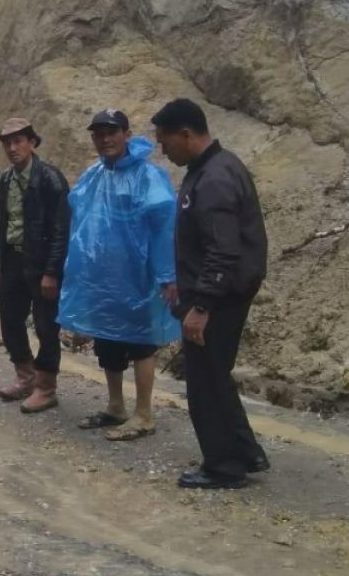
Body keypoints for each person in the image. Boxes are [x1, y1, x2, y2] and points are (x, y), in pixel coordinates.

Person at [152, 98, 270, 489]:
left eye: (165, 140)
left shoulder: (215, 178)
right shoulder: (213, 169)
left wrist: (201, 305)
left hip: (219, 299)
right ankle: (245, 451)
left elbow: (223, 249)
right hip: (221, 293)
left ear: (186, 134)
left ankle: (223, 466)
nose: (162, 149)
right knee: (216, 376)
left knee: (203, 383)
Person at [58, 109, 178, 441]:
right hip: (102, 279)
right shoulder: (93, 175)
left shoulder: (148, 175)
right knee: (107, 340)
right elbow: (80, 226)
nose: (106, 139)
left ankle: (143, 414)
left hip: (138, 277)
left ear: (127, 134)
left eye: (112, 132)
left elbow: (164, 227)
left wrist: (166, 274)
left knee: (141, 342)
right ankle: (115, 406)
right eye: (99, 133)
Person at [0, 118, 69, 413]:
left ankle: (46, 388)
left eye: (18, 141)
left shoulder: (51, 179)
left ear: (32, 142)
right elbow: (1, 223)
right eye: (7, 143)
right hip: (12, 258)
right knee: (10, 318)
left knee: (46, 325)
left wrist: (52, 271)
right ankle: (26, 377)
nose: (12, 148)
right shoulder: (6, 180)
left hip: (41, 262)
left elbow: (61, 230)